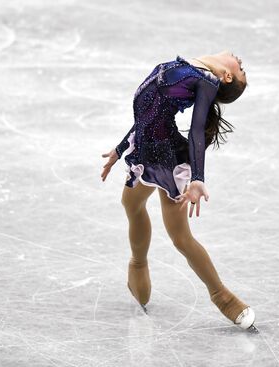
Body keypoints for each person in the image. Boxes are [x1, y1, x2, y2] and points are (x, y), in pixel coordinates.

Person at [100, 51, 257, 331]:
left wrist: (197, 177)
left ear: (228, 76)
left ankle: (222, 296)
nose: (241, 60)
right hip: (144, 154)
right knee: (131, 206)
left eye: (242, 69)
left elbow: (197, 130)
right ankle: (138, 264)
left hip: (167, 159)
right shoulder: (186, 67)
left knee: (180, 236)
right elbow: (148, 114)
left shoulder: (204, 81)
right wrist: (120, 148)